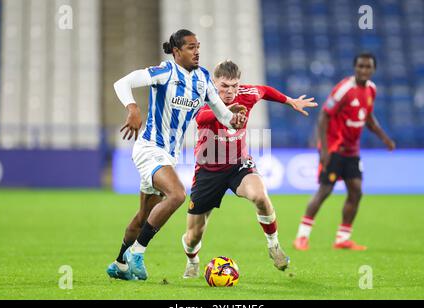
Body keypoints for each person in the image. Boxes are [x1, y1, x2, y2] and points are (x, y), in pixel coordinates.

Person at [106, 30, 247, 280]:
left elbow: (222, 115)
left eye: (198, 47)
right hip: (149, 148)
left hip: (169, 155)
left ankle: (120, 264)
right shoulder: (165, 72)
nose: (197, 52)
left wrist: (233, 119)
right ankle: (137, 253)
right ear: (176, 51)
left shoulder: (203, 78)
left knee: (143, 216)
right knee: (178, 194)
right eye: (191, 47)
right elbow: (122, 83)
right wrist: (133, 107)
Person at [181, 60, 318, 278]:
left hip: (238, 164)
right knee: (193, 235)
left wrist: (289, 101)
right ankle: (192, 259)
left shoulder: (246, 93)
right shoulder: (204, 96)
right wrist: (225, 110)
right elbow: (200, 117)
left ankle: (274, 245)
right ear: (214, 82)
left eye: (234, 85)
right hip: (208, 170)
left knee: (260, 196)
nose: (230, 90)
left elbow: (264, 91)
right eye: (224, 85)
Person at [293, 53, 396, 251]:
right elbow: (324, 116)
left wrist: (384, 138)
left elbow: (368, 116)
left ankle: (342, 238)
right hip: (334, 148)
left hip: (352, 151)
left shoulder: (371, 89)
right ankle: (302, 237)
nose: (364, 70)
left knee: (356, 191)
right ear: (354, 67)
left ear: (373, 69)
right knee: (325, 191)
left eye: (368, 67)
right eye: (360, 66)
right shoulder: (344, 90)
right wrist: (322, 148)